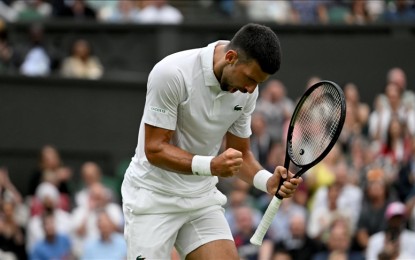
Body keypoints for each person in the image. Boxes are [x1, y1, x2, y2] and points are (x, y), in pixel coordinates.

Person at [121, 23, 302, 260]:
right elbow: (154, 150)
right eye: (249, 78)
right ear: (230, 57)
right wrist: (211, 166)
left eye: (258, 83)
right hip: (152, 198)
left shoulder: (247, 91)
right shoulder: (171, 73)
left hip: (200, 199)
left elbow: (241, 154)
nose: (250, 89)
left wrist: (267, 181)